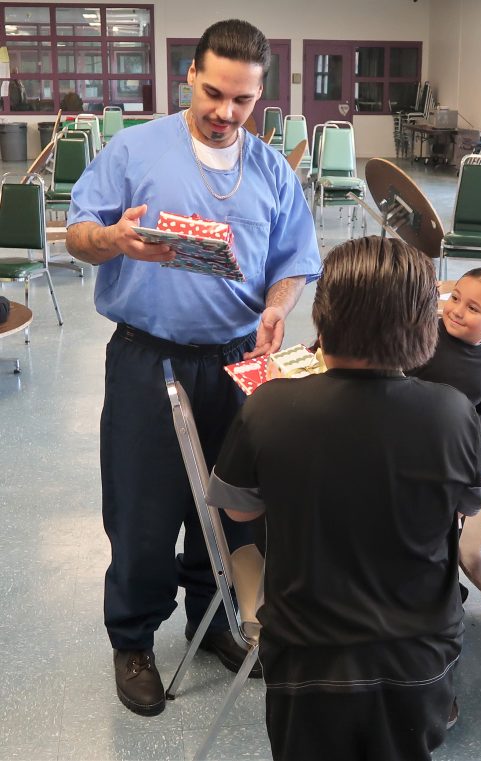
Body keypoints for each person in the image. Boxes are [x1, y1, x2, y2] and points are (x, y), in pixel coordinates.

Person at [65, 19, 320, 717]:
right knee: (143, 507)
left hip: (239, 360)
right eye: (213, 93)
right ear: (189, 76)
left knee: (235, 506)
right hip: (150, 357)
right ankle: (134, 638)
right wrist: (113, 238)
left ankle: (212, 621)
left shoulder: (268, 169)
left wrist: (277, 306)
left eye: (242, 100)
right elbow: (78, 232)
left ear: (260, 94)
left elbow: (296, 259)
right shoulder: (134, 149)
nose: (225, 112)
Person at [207, 236, 481, 760]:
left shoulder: (271, 405)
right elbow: (469, 509)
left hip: (308, 655)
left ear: (324, 317)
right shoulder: (450, 412)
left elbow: (239, 509)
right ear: (422, 324)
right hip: (416, 655)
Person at [407, 267, 481, 475]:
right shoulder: (420, 335)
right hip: (405, 444)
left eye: (473, 309)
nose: (457, 311)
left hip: (450, 455)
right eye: (455, 298)